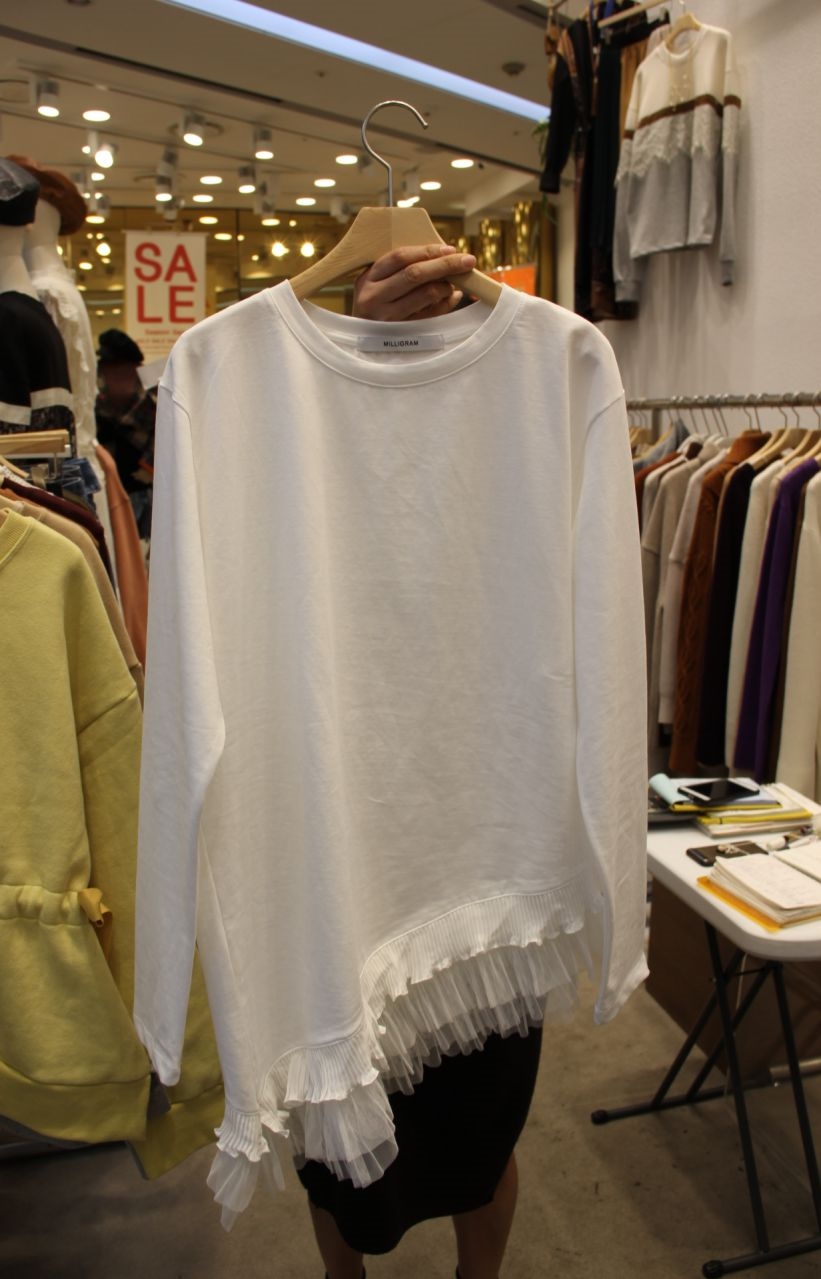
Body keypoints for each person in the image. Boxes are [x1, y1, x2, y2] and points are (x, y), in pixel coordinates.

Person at [300, 241, 538, 1279]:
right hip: (330, 847)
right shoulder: (265, 384)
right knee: (331, 1143)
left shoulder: (544, 376)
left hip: (485, 860)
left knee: (482, 1131)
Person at [94, 328, 156, 539]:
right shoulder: (96, 398)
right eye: (109, 368)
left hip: (142, 487)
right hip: (108, 486)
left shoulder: (152, 398)